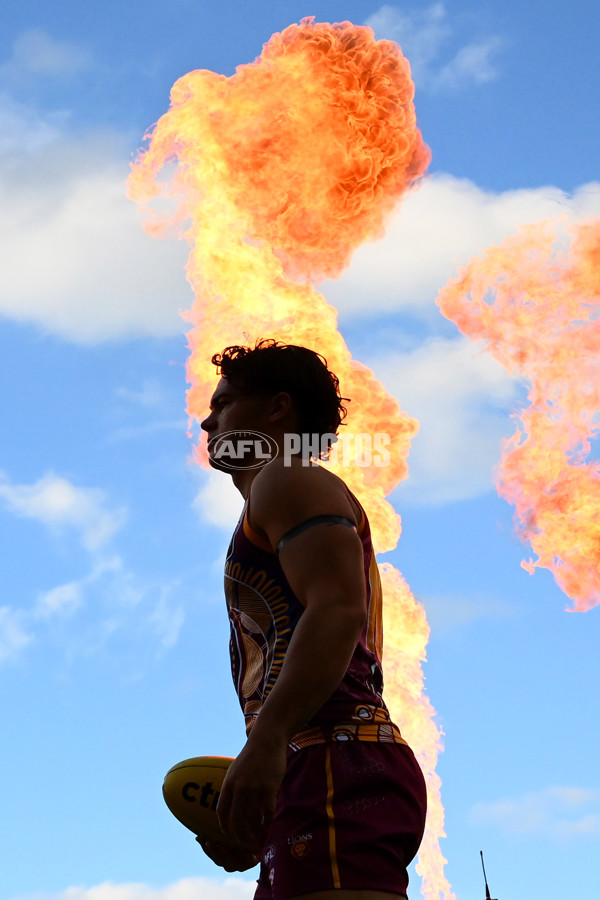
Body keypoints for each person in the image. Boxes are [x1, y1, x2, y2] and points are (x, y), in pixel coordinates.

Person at [198, 339, 427, 900]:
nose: (207, 422)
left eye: (223, 404)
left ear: (278, 408)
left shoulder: (288, 478)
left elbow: (337, 608)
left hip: (336, 758)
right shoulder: (278, 493)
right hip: (318, 763)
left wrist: (268, 742)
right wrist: (264, 788)